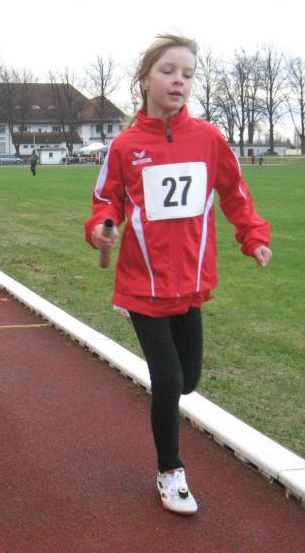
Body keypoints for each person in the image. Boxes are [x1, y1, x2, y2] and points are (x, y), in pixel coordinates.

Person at [86, 34, 272, 516]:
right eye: (168, 71)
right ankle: (170, 472)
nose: (179, 81)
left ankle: (169, 435)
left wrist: (252, 236)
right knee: (168, 381)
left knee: (187, 381)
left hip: (190, 284)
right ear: (145, 79)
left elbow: (235, 193)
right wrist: (101, 227)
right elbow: (107, 201)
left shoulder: (209, 139)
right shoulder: (125, 146)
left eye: (187, 74)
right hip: (141, 286)